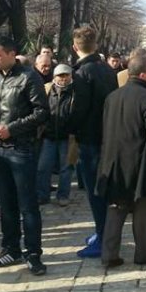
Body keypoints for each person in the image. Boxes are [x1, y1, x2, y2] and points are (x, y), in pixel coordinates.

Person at [0, 36, 50, 275]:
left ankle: (33, 253)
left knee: (28, 205)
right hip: (0, 150)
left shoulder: (28, 77)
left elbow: (41, 112)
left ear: (12, 53)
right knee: (6, 204)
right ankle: (10, 248)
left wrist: (12, 128)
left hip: (22, 149)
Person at [95, 53, 146, 268]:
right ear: (144, 74)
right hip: (140, 164)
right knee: (142, 210)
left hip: (113, 162)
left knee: (115, 209)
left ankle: (109, 254)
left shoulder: (113, 96)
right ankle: (144, 252)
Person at [70, 27, 119, 259]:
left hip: (90, 138)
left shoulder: (82, 72)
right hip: (107, 135)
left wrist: (70, 127)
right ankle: (102, 233)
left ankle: (102, 236)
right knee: (103, 189)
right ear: (97, 45)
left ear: (74, 46)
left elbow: (79, 109)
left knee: (95, 191)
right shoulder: (108, 69)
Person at [37, 64, 86, 206]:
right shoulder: (47, 89)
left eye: (66, 75)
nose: (63, 78)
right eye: (60, 75)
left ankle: (63, 195)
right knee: (43, 167)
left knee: (67, 168)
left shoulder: (76, 91)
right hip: (49, 135)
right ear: (54, 77)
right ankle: (42, 195)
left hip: (68, 136)